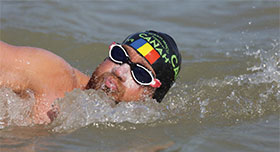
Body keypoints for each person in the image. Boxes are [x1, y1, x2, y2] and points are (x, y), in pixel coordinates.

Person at [0, 30, 181, 124]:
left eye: (140, 73)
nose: (119, 71)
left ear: (150, 97)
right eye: (119, 55)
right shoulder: (50, 74)